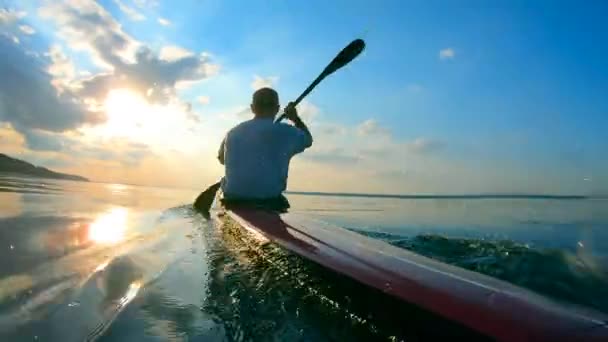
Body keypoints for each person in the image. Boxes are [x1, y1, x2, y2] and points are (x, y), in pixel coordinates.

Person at [217, 87, 313, 210]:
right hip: (269, 201)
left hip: (233, 200)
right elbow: (308, 140)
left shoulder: (232, 133)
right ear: (277, 109)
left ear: (252, 108)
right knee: (283, 202)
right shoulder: (287, 132)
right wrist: (295, 118)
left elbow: (221, 160)